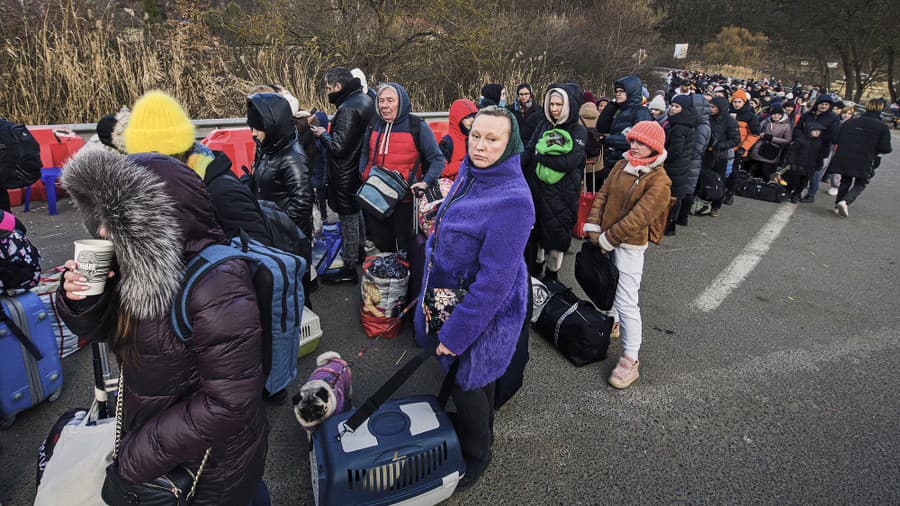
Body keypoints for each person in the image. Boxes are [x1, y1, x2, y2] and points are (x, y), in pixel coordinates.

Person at [58, 149, 269, 506]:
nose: (104, 230)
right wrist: (81, 297)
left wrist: (136, 458)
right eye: (102, 219)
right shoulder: (136, 269)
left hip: (209, 465)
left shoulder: (217, 283)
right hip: (164, 439)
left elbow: (230, 403)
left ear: (156, 221)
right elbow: (97, 330)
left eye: (118, 220)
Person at [414, 106, 534, 488]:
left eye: (492, 139)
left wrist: (455, 336)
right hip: (452, 295)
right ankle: (481, 427)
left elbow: (494, 283)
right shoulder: (472, 172)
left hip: (482, 311)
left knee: (469, 383)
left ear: (509, 143)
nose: (480, 146)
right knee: (473, 381)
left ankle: (477, 454)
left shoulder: (513, 200)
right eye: (476, 136)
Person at [583, 121, 672, 389]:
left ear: (654, 147)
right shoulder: (622, 165)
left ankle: (631, 357)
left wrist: (608, 238)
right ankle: (613, 323)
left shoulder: (659, 181)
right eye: (633, 140)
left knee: (626, 300)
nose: (634, 145)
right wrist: (594, 225)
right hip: (605, 238)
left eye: (641, 142)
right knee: (608, 287)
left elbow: (639, 217)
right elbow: (602, 195)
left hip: (630, 246)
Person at [122, 90, 271, 244]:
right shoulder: (156, 189)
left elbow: (260, 252)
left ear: (178, 153)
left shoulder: (221, 190)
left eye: (157, 160)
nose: (150, 168)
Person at [358, 83, 445, 255]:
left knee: (406, 248)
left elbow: (438, 159)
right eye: (381, 100)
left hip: (405, 201)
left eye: (390, 100)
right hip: (375, 197)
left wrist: (425, 183)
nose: (384, 105)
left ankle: (406, 279)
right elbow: (364, 152)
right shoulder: (374, 123)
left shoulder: (417, 126)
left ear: (402, 102)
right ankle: (388, 279)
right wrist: (364, 174)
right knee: (381, 245)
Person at [310, 67, 376, 284]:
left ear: (339, 87)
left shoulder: (348, 108)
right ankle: (360, 252)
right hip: (358, 169)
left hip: (345, 172)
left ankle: (349, 267)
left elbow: (338, 147)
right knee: (356, 213)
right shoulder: (365, 100)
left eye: (329, 88)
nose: (328, 92)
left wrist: (322, 134)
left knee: (348, 218)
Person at [522, 83, 587, 280]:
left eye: (559, 105)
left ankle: (552, 280)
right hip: (537, 192)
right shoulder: (543, 124)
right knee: (536, 240)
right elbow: (528, 151)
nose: (554, 109)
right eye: (551, 104)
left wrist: (539, 155)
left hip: (562, 196)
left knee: (556, 240)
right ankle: (534, 280)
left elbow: (568, 162)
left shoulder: (578, 131)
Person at [247, 93, 314, 239]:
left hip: (287, 240)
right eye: (251, 127)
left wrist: (276, 228)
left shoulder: (293, 158)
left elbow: (302, 205)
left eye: (258, 128)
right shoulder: (268, 149)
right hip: (270, 232)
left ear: (272, 125)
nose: (253, 134)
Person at [827, 98, 892, 217]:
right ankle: (845, 201)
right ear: (881, 109)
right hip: (866, 158)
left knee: (845, 180)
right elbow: (885, 148)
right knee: (861, 182)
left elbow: (837, 138)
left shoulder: (851, 122)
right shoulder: (882, 127)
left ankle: (838, 204)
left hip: (846, 155)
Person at [596, 75, 652, 184]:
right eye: (616, 91)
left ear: (631, 92)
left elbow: (640, 140)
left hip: (628, 166)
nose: (618, 94)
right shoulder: (620, 111)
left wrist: (609, 139)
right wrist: (612, 105)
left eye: (622, 91)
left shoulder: (641, 112)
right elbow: (602, 127)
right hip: (613, 163)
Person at [662, 95, 696, 235]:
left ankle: (668, 225)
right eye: (672, 105)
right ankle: (670, 225)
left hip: (675, 166)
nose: (672, 108)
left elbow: (676, 150)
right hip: (681, 165)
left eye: (677, 106)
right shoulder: (684, 124)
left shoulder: (679, 127)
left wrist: (663, 158)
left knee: (672, 196)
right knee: (675, 195)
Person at [796, 94, 840, 202]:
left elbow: (834, 135)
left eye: (826, 104)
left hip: (820, 148)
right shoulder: (808, 114)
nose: (824, 106)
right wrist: (799, 138)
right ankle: (796, 191)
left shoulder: (833, 117)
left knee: (814, 171)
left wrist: (817, 137)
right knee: (799, 169)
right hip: (803, 145)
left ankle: (811, 194)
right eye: (822, 104)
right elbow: (798, 127)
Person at [705, 96, 740, 216]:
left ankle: (716, 205)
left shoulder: (730, 121)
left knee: (719, 180)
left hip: (720, 155)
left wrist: (720, 146)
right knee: (705, 177)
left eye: (713, 107)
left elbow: (735, 139)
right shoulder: (707, 118)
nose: (711, 109)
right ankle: (704, 201)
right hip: (706, 152)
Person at [727, 89, 761, 204]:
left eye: (739, 102)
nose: (736, 104)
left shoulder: (750, 116)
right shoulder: (726, 112)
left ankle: (730, 193)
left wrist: (744, 147)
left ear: (744, 102)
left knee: (734, 173)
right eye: (735, 102)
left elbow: (755, 134)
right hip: (726, 147)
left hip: (739, 150)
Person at [747, 104, 793, 181]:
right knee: (755, 171)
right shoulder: (765, 122)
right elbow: (756, 133)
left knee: (766, 172)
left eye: (778, 115)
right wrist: (762, 135)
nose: (776, 116)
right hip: (759, 150)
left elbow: (788, 140)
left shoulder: (786, 126)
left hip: (772, 152)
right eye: (774, 114)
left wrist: (772, 139)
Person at [785, 121, 824, 203]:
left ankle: (796, 194)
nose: (817, 133)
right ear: (809, 130)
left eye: (819, 131)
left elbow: (820, 156)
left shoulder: (819, 143)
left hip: (810, 167)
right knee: (793, 181)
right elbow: (792, 152)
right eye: (815, 130)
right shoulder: (800, 140)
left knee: (803, 183)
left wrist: (819, 165)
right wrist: (792, 163)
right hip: (798, 166)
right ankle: (788, 192)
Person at [439, 98, 478, 179]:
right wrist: (466, 163)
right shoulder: (446, 143)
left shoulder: (478, 139)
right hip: (454, 186)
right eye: (467, 117)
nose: (472, 120)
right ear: (457, 120)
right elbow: (441, 171)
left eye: (474, 116)